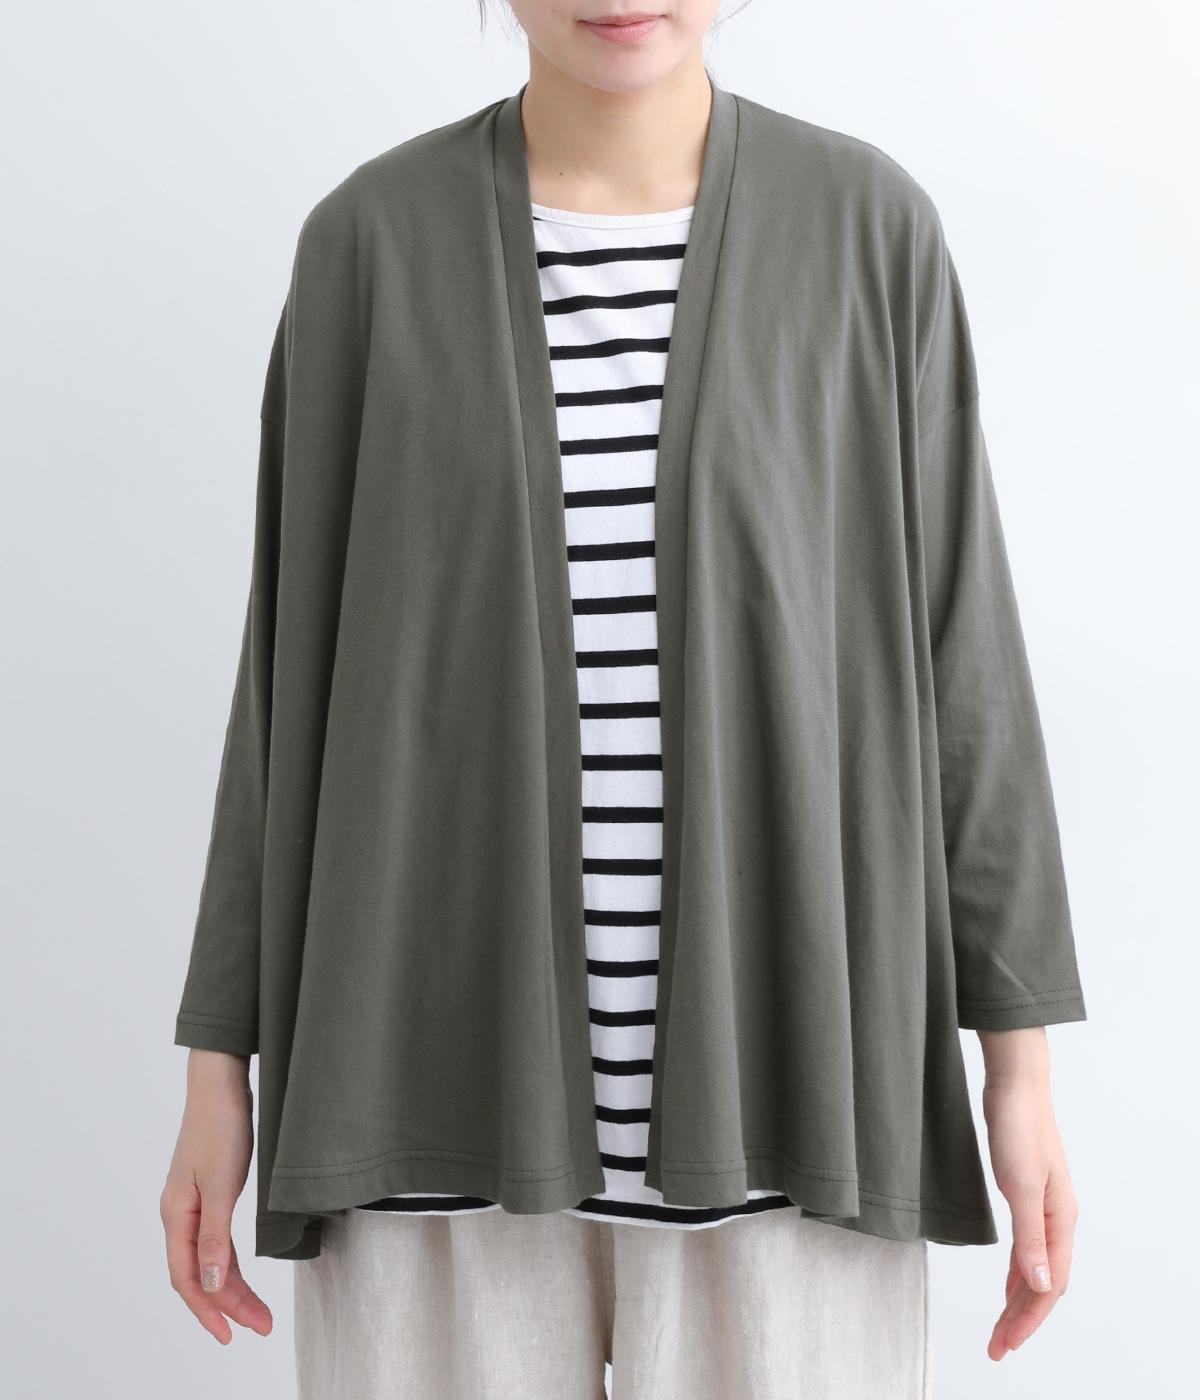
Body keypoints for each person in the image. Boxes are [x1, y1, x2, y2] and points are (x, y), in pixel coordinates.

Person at [160, 4, 1088, 1395]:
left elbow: (967, 660)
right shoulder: (367, 245)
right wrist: (216, 1070)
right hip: (423, 1090)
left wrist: (1019, 1072)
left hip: (794, 1105)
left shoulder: (867, 232)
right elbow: (288, 682)